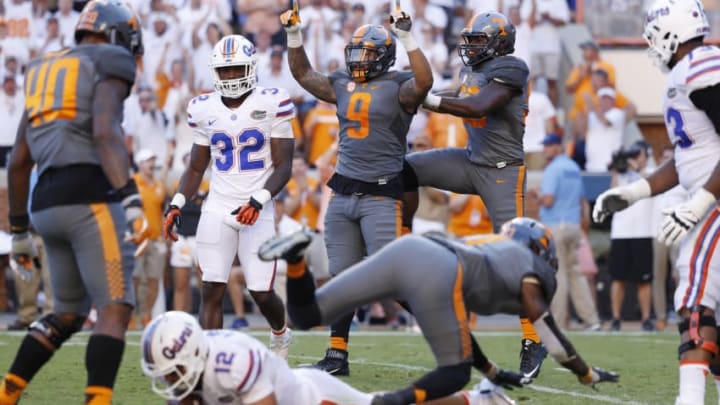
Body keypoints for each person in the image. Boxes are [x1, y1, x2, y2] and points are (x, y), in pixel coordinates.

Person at [260, 218, 618, 405]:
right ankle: (390, 402)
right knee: (454, 374)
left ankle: (295, 260)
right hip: (437, 268)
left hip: (409, 250)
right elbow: (553, 342)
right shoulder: (529, 269)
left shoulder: (488, 246)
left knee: (307, 315)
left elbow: (458, 329)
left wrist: (492, 370)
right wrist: (587, 375)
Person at [0, 2, 143, 404]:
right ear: (118, 34)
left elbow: (18, 161)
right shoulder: (112, 58)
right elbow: (104, 133)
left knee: (67, 313)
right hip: (89, 197)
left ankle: (6, 395)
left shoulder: (42, 66)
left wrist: (18, 231)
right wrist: (130, 196)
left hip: (44, 202)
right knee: (115, 307)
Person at [281, 2, 433, 374]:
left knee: (394, 281)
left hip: (381, 194)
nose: (358, 59)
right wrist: (294, 33)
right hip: (344, 191)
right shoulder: (341, 83)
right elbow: (303, 74)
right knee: (342, 278)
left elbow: (425, 82)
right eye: (355, 52)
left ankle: (451, 330)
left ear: (384, 56)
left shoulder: (400, 86)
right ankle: (337, 355)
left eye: (366, 53)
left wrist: (408, 37)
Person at [403, 11, 545, 378]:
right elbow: (462, 95)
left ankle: (533, 340)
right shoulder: (472, 71)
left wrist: (427, 100)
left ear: (499, 41)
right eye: (470, 40)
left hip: (502, 171)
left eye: (478, 40)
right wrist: (422, 92)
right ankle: (400, 238)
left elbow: (478, 106)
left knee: (516, 254)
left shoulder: (513, 68)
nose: (471, 47)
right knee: (406, 168)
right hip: (470, 161)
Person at [594, 0, 720, 403]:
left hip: (713, 206)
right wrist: (633, 192)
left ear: (669, 33)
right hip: (708, 199)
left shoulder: (703, 65)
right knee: (706, 311)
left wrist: (699, 203)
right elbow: (687, 160)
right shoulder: (688, 72)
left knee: (694, 303)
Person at [162, 34, 295, 359]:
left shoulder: (272, 102)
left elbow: (284, 166)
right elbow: (196, 167)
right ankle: (211, 358)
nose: (232, 76)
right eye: (226, 70)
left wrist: (258, 200)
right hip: (218, 206)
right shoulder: (203, 108)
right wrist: (177, 204)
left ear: (250, 68)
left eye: (237, 69)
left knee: (262, 293)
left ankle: (281, 334)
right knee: (211, 288)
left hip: (257, 208)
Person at [140, 311, 515, 405]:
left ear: (193, 357)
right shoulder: (197, 362)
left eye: (172, 373)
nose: (170, 381)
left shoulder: (232, 363)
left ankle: (480, 399)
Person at [535, 134, 600, 331]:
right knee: (575, 274)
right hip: (573, 225)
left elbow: (548, 201)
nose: (546, 149)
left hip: (556, 225)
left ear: (558, 147)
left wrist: (536, 195)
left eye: (549, 146)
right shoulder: (573, 167)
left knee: (558, 274)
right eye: (545, 146)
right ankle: (592, 320)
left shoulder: (553, 169)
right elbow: (582, 200)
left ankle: (558, 321)